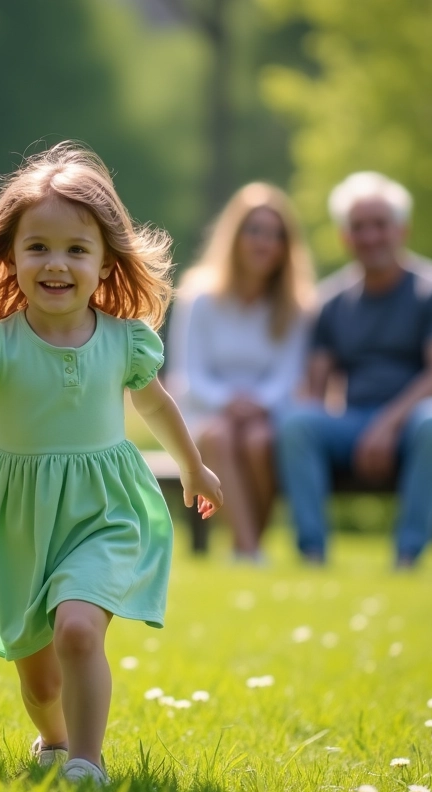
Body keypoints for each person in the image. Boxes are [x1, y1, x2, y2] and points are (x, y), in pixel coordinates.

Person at [0, 143, 223, 785]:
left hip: (105, 508)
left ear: (105, 263)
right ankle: (54, 737)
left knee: (78, 629)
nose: (57, 263)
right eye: (38, 246)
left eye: (77, 249)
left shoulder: (125, 340)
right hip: (22, 519)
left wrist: (193, 467)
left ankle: (86, 762)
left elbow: (157, 408)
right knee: (40, 681)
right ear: (11, 255)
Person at [277, 172, 432, 569]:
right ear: (345, 237)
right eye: (358, 228)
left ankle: (407, 556)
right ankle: (312, 554)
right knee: (297, 422)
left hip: (418, 422)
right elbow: (317, 387)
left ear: (402, 229)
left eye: (380, 225)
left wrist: (386, 425)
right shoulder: (330, 303)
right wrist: (324, 420)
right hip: (354, 424)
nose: (370, 237)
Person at [167, 183, 315, 562]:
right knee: (219, 437)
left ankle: (246, 546)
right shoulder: (198, 295)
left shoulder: (295, 306)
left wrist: (257, 404)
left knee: (259, 441)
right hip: (206, 410)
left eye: (275, 235)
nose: (264, 243)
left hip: (265, 414)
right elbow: (189, 374)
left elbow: (288, 376)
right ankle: (249, 550)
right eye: (254, 231)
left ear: (286, 246)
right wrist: (228, 401)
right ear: (234, 236)